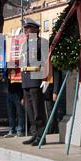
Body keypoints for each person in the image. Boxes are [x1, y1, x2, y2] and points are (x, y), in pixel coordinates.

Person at [20, 18, 48, 146]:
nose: (25, 30)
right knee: (30, 111)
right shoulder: (25, 44)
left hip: (36, 78)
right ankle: (34, 134)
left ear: (36, 29)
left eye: (28, 28)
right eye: (25, 28)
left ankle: (41, 135)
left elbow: (46, 62)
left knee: (38, 110)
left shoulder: (42, 42)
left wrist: (46, 78)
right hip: (26, 78)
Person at [4, 70, 25, 138]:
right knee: (11, 114)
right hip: (10, 93)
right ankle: (12, 130)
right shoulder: (9, 70)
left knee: (20, 113)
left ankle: (20, 131)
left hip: (18, 94)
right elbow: (6, 77)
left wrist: (23, 96)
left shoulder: (20, 70)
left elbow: (23, 83)